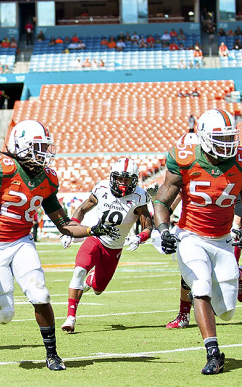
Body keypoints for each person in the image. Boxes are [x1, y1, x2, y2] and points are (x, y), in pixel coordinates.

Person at [0, 120, 119, 371]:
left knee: (40, 294)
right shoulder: (2, 168)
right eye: (38, 147)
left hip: (22, 241)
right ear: (21, 146)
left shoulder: (47, 179)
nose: (44, 153)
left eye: (45, 147)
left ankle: (52, 354)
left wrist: (93, 229)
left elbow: (64, 224)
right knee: (4, 316)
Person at [154, 109, 242, 375]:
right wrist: (164, 229)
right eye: (220, 139)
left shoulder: (239, 160)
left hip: (223, 240)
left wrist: (239, 225)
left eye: (230, 138)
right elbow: (161, 199)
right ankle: (213, 352)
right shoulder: (186, 158)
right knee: (200, 286)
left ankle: (206, 304)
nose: (227, 145)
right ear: (203, 138)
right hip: (191, 236)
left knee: (226, 311)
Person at [60, 158, 153, 333]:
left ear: (134, 180)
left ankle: (91, 281)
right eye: (119, 178)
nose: (122, 183)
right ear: (112, 177)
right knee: (79, 270)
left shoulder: (139, 197)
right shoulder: (101, 188)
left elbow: (148, 225)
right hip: (96, 239)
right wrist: (70, 230)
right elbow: (82, 209)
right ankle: (70, 318)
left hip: (115, 248)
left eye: (127, 179)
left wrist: (140, 237)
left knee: (98, 288)